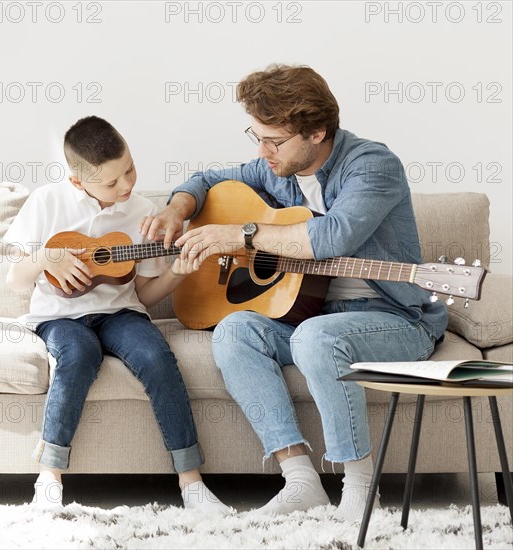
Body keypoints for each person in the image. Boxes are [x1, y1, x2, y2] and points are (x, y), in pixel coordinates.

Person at [140, 64, 448, 522]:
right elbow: (205, 180)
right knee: (234, 330)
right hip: (315, 313)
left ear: (317, 132)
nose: (262, 151)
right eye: (257, 137)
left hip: (395, 319)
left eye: (274, 141)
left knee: (316, 338)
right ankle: (301, 479)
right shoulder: (278, 168)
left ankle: (361, 487)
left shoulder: (373, 164)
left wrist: (240, 235)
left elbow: (331, 238)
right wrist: (175, 208)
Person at [4, 116, 229, 513]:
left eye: (129, 169)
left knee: (157, 357)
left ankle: (191, 481)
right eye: (111, 182)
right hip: (61, 317)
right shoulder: (47, 201)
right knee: (77, 355)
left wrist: (177, 272)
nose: (126, 185)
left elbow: (144, 292)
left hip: (120, 313)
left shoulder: (142, 212)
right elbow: (16, 281)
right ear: (77, 181)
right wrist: (45, 257)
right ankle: (49, 476)